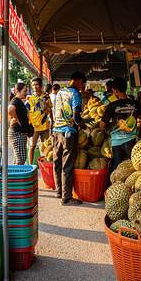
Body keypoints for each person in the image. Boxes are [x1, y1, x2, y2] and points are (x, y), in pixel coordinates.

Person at [53, 71, 89, 206]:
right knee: (67, 164)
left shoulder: (60, 92)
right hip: (68, 133)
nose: (82, 88)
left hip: (56, 132)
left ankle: (59, 191)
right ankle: (66, 198)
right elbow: (76, 117)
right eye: (83, 85)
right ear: (79, 81)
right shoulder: (76, 94)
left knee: (57, 163)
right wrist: (85, 129)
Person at [100, 77, 141, 170]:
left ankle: (117, 184)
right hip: (131, 140)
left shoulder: (111, 106)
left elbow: (102, 125)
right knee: (135, 167)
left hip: (116, 141)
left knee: (118, 169)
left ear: (115, 90)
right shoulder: (135, 103)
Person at [26, 77, 53, 165]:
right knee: (32, 147)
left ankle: (45, 164)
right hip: (34, 127)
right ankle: (30, 165)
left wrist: (52, 121)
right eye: (33, 85)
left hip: (45, 126)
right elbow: (27, 112)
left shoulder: (46, 97)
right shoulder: (29, 98)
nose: (35, 87)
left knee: (46, 147)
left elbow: (50, 110)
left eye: (37, 85)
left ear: (41, 85)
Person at [8, 82, 29, 165]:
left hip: (21, 133)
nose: (26, 93)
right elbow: (10, 109)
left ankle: (13, 176)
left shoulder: (19, 101)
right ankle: (15, 177)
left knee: (19, 158)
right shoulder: (15, 100)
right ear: (17, 92)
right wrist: (15, 118)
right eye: (24, 91)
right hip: (17, 133)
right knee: (21, 158)